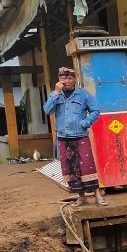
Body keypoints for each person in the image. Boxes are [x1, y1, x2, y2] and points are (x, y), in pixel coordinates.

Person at [43, 67, 104, 206]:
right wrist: (55, 93)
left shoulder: (83, 94)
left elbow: (95, 111)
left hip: (80, 135)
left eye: (70, 78)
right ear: (59, 80)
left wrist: (85, 123)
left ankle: (98, 195)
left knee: (87, 166)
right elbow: (47, 110)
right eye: (63, 79)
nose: (66, 81)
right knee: (71, 168)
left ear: (74, 79)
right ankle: (81, 197)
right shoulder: (56, 95)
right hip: (63, 137)